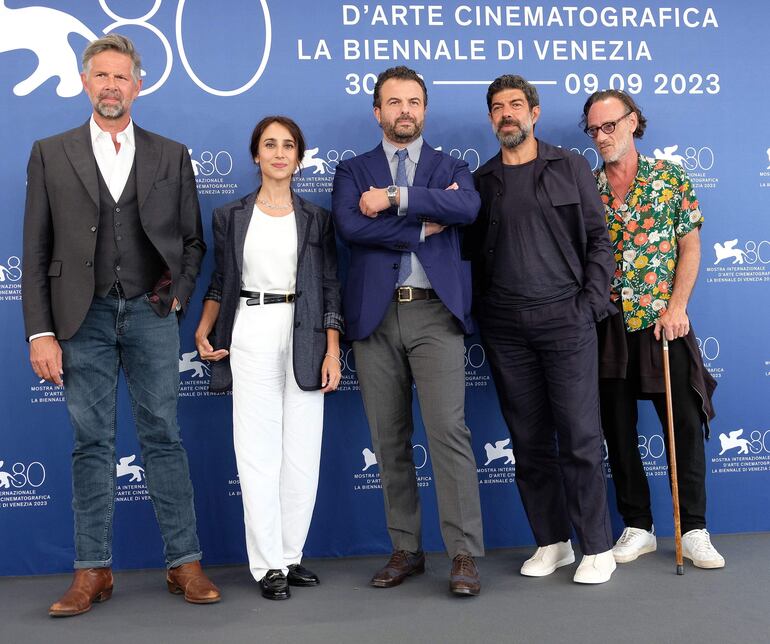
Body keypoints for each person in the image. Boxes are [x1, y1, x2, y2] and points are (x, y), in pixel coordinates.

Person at [21, 34, 219, 617]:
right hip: (78, 318)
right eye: (101, 76)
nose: (111, 86)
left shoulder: (170, 152)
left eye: (121, 77)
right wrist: (40, 332)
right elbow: (34, 251)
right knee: (91, 443)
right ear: (86, 83)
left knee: (163, 436)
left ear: (139, 84)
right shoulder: (49, 152)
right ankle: (92, 571)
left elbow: (192, 239)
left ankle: (184, 562)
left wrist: (177, 297)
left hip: (152, 314)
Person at [332, 66, 484, 596]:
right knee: (389, 438)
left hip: (435, 315)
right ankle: (407, 549)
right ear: (378, 111)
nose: (404, 111)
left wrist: (395, 199)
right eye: (393, 102)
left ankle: (463, 554)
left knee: (448, 432)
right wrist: (421, 223)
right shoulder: (352, 170)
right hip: (375, 318)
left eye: (413, 102)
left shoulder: (453, 166)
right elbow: (352, 226)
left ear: (424, 110)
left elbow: (466, 207)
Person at [463, 74, 617, 584]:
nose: (507, 114)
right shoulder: (481, 182)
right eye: (498, 108)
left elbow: (599, 238)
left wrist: (591, 303)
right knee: (528, 442)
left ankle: (597, 546)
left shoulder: (569, 166)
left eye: (516, 105)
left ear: (534, 112)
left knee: (579, 437)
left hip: (566, 321)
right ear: (491, 119)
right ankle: (553, 542)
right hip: (505, 329)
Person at [195, 116, 343, 600]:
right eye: (269, 144)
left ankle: (291, 555)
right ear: (256, 155)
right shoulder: (230, 216)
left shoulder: (317, 218)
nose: (279, 153)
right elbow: (221, 281)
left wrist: (333, 349)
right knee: (257, 454)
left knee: (302, 454)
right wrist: (204, 324)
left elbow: (329, 288)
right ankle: (266, 566)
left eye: (289, 145)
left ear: (299, 157)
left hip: (304, 338)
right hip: (251, 331)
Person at [581, 90, 722, 569]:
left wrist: (678, 306)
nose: (603, 136)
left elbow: (691, 245)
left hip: (665, 323)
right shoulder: (588, 187)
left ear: (633, 121)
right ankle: (638, 525)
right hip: (608, 325)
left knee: (683, 425)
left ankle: (695, 528)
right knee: (616, 431)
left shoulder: (670, 177)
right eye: (594, 129)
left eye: (611, 125)